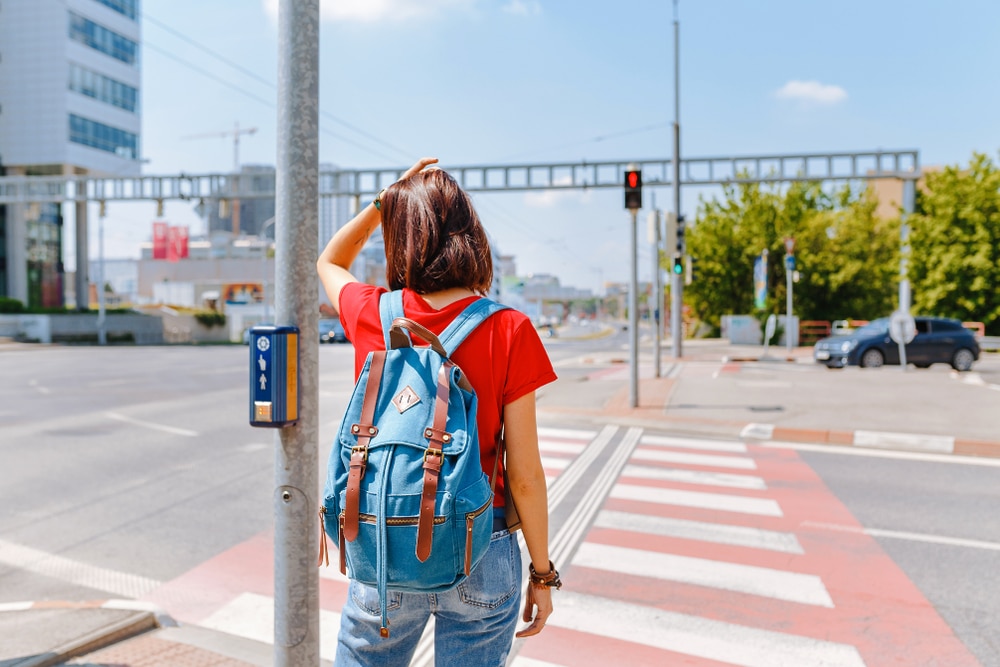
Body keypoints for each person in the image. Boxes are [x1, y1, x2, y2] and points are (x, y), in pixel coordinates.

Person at [317, 157, 560, 666]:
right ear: (470, 234)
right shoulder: (510, 328)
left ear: (400, 234)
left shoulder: (373, 313)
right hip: (481, 545)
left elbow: (329, 262)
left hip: (382, 541)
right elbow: (526, 478)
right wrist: (542, 573)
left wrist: (383, 204)